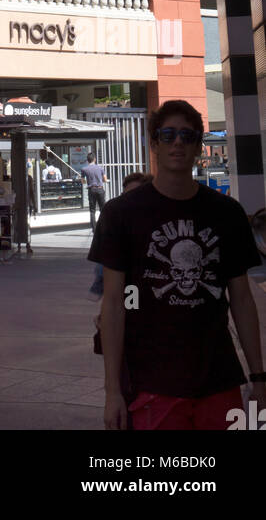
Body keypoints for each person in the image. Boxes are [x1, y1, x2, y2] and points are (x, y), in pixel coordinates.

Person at [90, 100, 265, 431]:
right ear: (154, 143)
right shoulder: (121, 214)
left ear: (199, 146)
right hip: (151, 385)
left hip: (219, 378)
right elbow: (113, 304)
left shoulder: (227, 213)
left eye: (188, 136)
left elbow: (242, 299)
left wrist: (259, 377)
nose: (178, 143)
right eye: (168, 135)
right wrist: (112, 391)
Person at [89, 172, 150, 296]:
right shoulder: (114, 215)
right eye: (125, 196)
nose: (129, 201)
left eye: (135, 196)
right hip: (127, 286)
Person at [82, 152, 108, 230]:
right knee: (103, 209)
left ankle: (94, 229)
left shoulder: (84, 169)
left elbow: (83, 181)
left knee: (92, 210)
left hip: (91, 190)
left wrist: (87, 181)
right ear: (95, 159)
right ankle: (104, 226)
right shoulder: (100, 168)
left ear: (87, 160)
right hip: (100, 189)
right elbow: (105, 179)